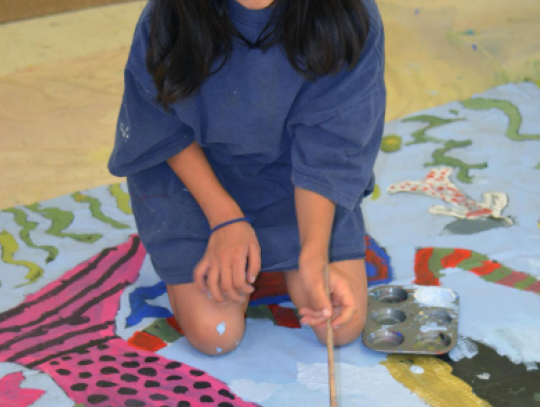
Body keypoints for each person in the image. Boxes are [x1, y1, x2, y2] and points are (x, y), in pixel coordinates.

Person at [109, 0, 386, 356]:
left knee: (342, 326)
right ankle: (248, 249)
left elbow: (330, 149)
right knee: (216, 334)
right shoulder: (170, 13)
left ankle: (284, 255)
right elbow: (161, 127)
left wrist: (314, 255)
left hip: (294, 175)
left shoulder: (347, 12)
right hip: (194, 181)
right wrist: (225, 218)